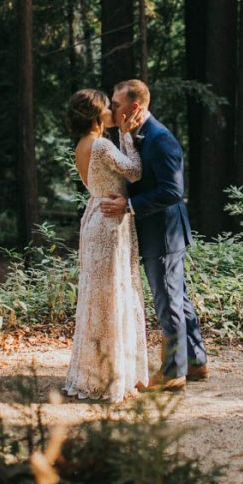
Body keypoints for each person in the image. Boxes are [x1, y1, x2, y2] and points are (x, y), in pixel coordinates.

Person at [101, 79, 207, 391]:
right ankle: (197, 362)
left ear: (135, 107)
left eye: (116, 104)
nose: (112, 108)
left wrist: (129, 205)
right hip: (159, 232)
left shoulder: (161, 139)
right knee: (180, 299)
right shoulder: (136, 134)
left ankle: (174, 371)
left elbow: (173, 191)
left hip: (163, 234)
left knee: (168, 302)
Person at [63, 88, 148, 402]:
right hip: (110, 223)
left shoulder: (81, 146)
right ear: (96, 114)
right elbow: (134, 172)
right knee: (113, 295)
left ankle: (96, 372)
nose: (113, 111)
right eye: (107, 107)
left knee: (96, 298)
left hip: (94, 217)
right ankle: (112, 376)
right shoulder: (101, 144)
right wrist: (126, 136)